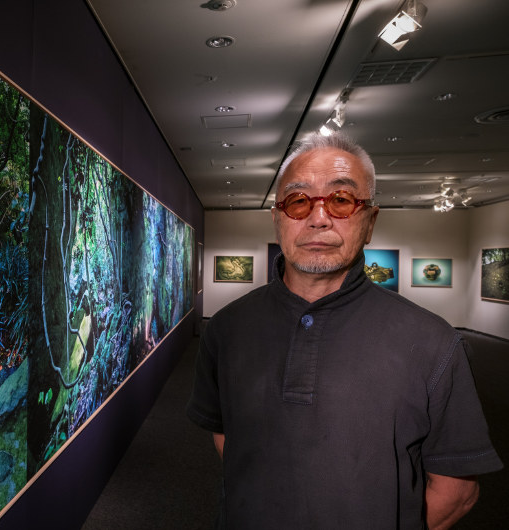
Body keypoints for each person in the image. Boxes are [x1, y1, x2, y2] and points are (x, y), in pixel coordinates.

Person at [187, 132, 503, 529]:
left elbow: (456, 492)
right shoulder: (227, 328)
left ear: (369, 222)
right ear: (277, 218)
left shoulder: (433, 341)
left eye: (341, 200)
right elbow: (227, 439)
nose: (318, 218)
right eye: (299, 200)